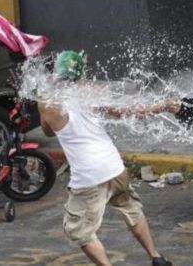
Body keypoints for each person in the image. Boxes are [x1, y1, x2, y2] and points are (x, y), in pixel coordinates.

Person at [38, 50, 173, 266]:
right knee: (131, 209)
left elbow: (47, 131)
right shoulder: (93, 93)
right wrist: (163, 107)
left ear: (56, 74)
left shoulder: (48, 102)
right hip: (114, 168)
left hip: (89, 178)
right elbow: (127, 111)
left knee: (79, 231)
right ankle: (156, 257)